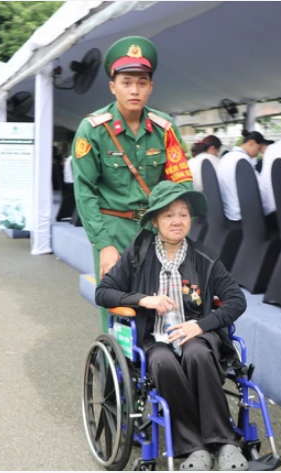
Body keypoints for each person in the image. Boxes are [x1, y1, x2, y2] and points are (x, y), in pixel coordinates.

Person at [95, 181, 249, 471]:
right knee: (163, 362)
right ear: (155, 220)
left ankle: (225, 441)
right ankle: (194, 447)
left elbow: (236, 301)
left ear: (191, 219)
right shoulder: (137, 255)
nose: (177, 221)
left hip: (197, 337)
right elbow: (102, 292)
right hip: (155, 340)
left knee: (197, 354)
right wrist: (143, 300)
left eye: (183, 214)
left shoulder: (205, 258)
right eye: (168, 215)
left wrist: (201, 325)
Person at [71, 35, 193, 333]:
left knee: (163, 298)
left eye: (142, 82)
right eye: (127, 82)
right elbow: (84, 190)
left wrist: (175, 228)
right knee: (118, 302)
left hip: (155, 228)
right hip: (113, 228)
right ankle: (115, 366)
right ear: (113, 86)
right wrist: (103, 245)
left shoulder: (165, 127)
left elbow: (182, 182)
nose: (134, 89)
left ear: (151, 87)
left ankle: (155, 366)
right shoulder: (93, 129)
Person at [216, 130, 271, 222]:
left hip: (227, 212)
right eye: (258, 149)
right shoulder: (243, 160)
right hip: (241, 215)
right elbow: (259, 188)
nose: (258, 153)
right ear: (252, 143)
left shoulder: (226, 158)